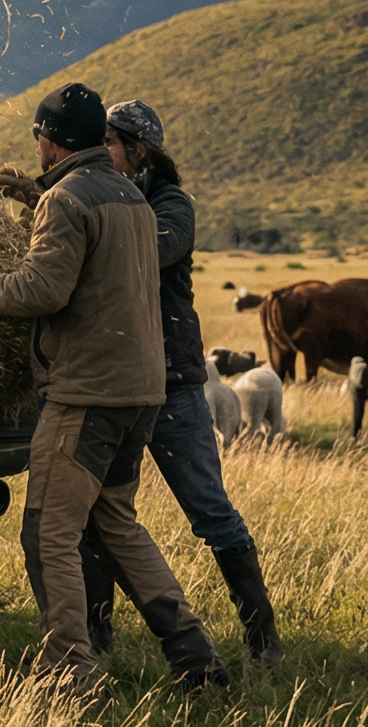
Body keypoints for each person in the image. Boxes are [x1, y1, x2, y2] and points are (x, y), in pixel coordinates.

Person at [0, 81, 228, 692]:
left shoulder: (66, 200)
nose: (37, 146)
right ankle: (196, 660)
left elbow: (41, 289)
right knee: (117, 527)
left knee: (49, 533)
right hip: (140, 392)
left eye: (39, 137)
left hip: (87, 396)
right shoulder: (130, 196)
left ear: (53, 141)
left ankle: (68, 674)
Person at [83, 99, 284, 669]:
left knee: (210, 511)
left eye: (111, 143)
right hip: (118, 381)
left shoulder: (172, 205)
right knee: (100, 512)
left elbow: (147, 251)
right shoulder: (101, 198)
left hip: (172, 382)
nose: (103, 151)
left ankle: (263, 640)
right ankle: (97, 638)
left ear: (139, 150)